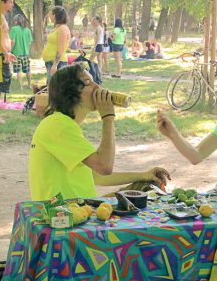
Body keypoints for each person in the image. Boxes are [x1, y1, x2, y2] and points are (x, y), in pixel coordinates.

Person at [29, 63, 170, 200]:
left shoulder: (62, 123)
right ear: (71, 91)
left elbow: (97, 176)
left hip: (80, 209)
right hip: (66, 215)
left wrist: (144, 175)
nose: (97, 87)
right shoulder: (59, 125)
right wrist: (108, 117)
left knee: (147, 185)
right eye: (88, 82)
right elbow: (104, 166)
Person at [42, 6, 71, 84]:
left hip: (57, 63)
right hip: (50, 62)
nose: (49, 15)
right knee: (51, 88)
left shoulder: (63, 29)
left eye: (50, 14)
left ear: (54, 15)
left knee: (55, 90)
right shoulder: (57, 28)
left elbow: (60, 49)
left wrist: (55, 65)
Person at [10, 14, 33, 90]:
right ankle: (29, 85)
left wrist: (10, 50)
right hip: (26, 53)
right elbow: (30, 43)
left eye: (14, 20)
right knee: (28, 69)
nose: (14, 22)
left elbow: (13, 41)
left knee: (18, 70)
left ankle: (21, 87)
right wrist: (27, 51)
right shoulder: (28, 30)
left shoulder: (14, 29)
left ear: (17, 21)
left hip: (16, 53)